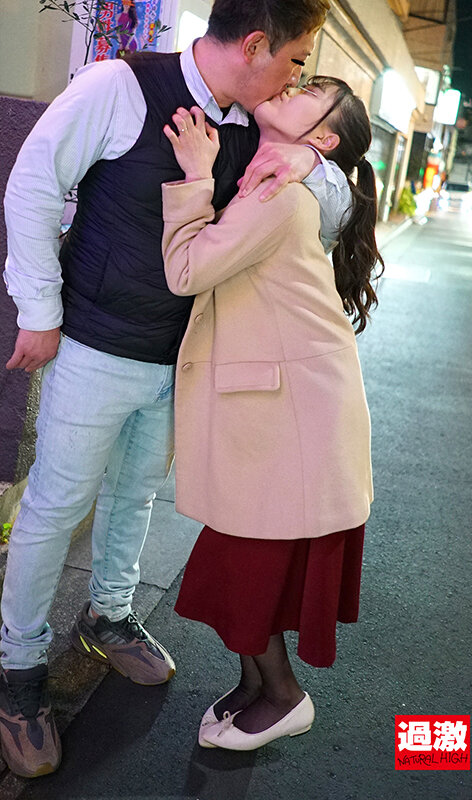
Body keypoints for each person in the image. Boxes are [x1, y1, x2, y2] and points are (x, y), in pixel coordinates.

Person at [0, 0, 334, 778]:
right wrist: (39, 311)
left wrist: (309, 163)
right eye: (296, 59)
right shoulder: (118, 85)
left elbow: (337, 198)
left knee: (138, 495)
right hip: (94, 344)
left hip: (182, 358)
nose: (297, 78)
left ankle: (110, 615)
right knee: (56, 505)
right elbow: (33, 186)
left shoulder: (259, 124)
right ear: (257, 44)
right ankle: (18, 670)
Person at [161, 75, 383, 751]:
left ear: (325, 139)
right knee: (250, 556)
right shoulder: (286, 175)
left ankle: (285, 697)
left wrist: (195, 177)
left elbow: (187, 271)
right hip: (288, 407)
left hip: (292, 415)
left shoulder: (282, 194)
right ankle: (257, 686)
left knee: (249, 562)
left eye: (313, 91)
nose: (294, 86)